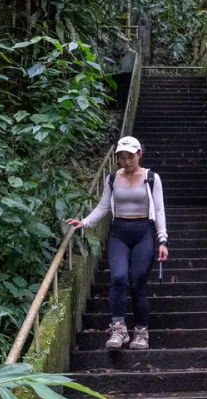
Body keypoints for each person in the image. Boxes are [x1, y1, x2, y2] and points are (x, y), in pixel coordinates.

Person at [66, 136, 168, 349]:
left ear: (139, 154)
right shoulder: (112, 179)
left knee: (138, 281)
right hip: (119, 232)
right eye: (122, 157)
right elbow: (103, 206)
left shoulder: (151, 178)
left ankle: (141, 332)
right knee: (119, 277)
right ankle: (118, 329)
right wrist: (84, 222)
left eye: (130, 156)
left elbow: (158, 210)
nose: (126, 161)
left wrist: (162, 240)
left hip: (143, 232)